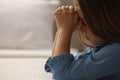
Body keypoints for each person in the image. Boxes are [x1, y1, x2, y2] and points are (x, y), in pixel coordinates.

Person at [45, 0, 120, 80]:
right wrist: (61, 29)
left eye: (83, 22)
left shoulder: (115, 52)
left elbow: (61, 75)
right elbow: (54, 67)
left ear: (104, 20)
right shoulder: (103, 48)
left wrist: (64, 30)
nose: (80, 27)